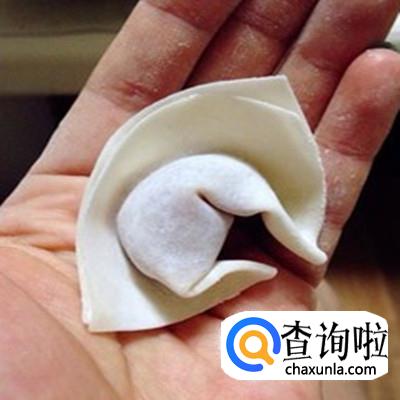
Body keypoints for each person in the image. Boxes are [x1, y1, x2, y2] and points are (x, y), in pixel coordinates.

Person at [0, 0, 399, 398]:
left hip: (220, 328)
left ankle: (347, 346)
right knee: (352, 344)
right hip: (230, 327)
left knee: (347, 339)